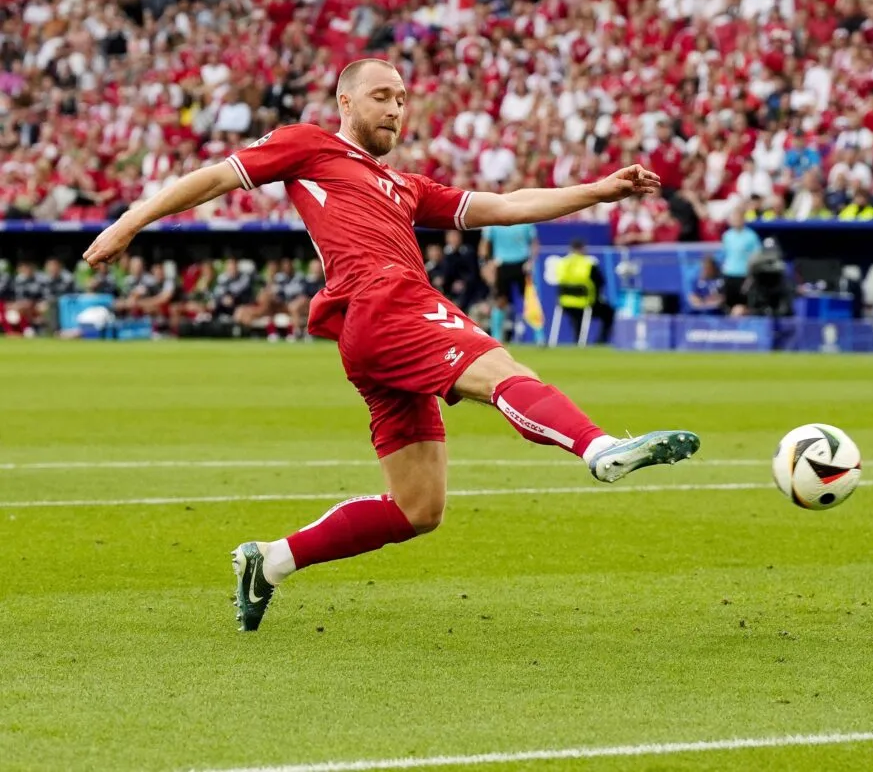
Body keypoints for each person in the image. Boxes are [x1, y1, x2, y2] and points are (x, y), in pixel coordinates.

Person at [83, 58, 701, 632]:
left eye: (402, 100)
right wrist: (126, 223)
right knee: (499, 368)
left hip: (371, 332)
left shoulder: (404, 186)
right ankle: (598, 448)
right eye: (381, 96)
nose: (394, 109)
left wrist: (599, 191)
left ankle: (269, 561)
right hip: (385, 299)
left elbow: (507, 205)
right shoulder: (310, 144)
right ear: (344, 101)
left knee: (418, 507)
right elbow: (215, 177)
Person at [479, 216, 538, 343]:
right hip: (501, 264)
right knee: (500, 301)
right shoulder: (493, 220)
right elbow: (484, 244)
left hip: (522, 264)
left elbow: (534, 242)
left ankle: (539, 336)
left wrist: (531, 261)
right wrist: (486, 264)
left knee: (530, 299)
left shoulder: (525, 219)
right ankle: (496, 337)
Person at [555, 238, 615, 344]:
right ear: (583, 249)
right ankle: (601, 341)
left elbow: (559, 282)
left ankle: (578, 340)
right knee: (609, 312)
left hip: (565, 303)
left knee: (576, 317)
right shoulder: (588, 263)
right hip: (585, 302)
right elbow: (600, 282)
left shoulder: (562, 263)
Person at [719, 208, 761, 315]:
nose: (735, 220)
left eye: (738, 218)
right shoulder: (727, 236)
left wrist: (751, 273)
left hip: (744, 275)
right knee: (729, 304)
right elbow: (724, 254)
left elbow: (756, 256)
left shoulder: (751, 236)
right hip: (729, 274)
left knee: (743, 304)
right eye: (733, 218)